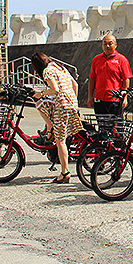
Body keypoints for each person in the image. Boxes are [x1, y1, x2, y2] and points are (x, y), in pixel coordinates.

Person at [30, 53, 83, 184]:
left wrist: (40, 93)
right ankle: (50, 128)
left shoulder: (47, 71)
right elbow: (75, 85)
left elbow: (55, 89)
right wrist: (73, 101)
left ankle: (65, 173)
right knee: (43, 104)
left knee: (60, 141)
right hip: (71, 104)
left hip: (62, 106)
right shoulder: (60, 68)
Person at [88, 34, 132, 116]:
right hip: (99, 99)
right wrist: (90, 97)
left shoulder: (121, 59)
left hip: (115, 100)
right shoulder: (96, 59)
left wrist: (125, 97)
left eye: (110, 43)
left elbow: (126, 79)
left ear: (115, 45)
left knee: (116, 126)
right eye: (104, 44)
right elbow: (92, 78)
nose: (107, 46)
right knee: (102, 126)